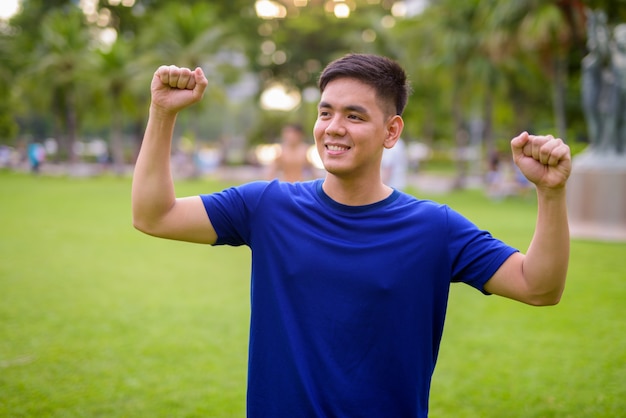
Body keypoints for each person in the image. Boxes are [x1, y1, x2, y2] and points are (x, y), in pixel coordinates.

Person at [132, 54, 571, 417]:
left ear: (391, 131)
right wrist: (162, 113)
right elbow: (154, 215)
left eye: (354, 115)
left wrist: (550, 194)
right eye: (326, 112)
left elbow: (539, 287)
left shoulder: (434, 228)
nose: (333, 127)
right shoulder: (266, 206)